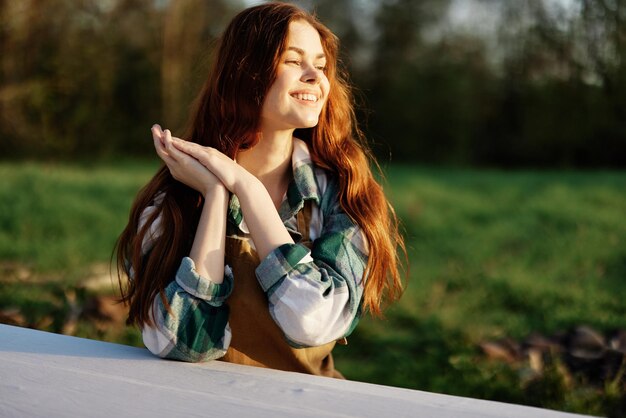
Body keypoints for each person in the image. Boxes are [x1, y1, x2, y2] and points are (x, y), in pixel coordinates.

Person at [116, 2, 404, 378]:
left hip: (305, 405)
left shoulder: (344, 196)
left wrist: (246, 188)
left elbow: (313, 323)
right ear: (247, 74)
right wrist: (217, 196)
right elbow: (180, 344)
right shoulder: (173, 200)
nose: (315, 77)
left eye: (320, 65)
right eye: (293, 61)